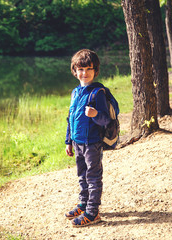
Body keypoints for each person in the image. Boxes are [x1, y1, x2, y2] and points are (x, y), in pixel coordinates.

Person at [65, 49, 111, 227]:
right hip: (77, 142)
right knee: (82, 175)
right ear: (74, 71)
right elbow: (70, 118)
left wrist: (95, 114)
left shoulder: (97, 93)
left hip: (92, 143)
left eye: (88, 69)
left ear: (95, 70)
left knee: (93, 176)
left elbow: (105, 120)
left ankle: (93, 212)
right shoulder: (75, 92)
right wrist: (68, 141)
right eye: (80, 69)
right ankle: (83, 204)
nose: (84, 73)